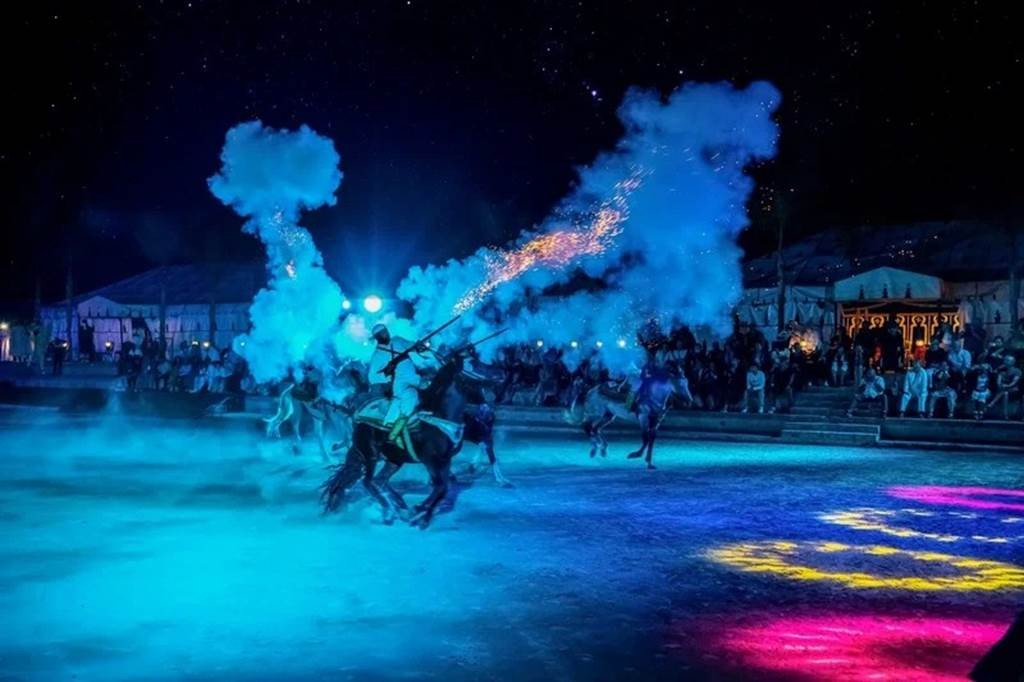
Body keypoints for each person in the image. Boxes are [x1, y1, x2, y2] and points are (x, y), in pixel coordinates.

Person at [367, 322, 437, 446]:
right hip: (399, 384)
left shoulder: (397, 340)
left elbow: (412, 346)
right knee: (411, 395)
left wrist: (419, 346)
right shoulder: (377, 355)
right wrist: (387, 372)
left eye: (386, 331)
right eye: (382, 333)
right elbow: (372, 377)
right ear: (378, 337)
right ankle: (394, 432)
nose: (386, 334)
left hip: (415, 377)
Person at [988, 356, 1021, 420]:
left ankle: (992, 403)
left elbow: (1014, 382)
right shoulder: (1002, 371)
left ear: (1013, 362)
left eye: (1007, 360)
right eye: (1005, 360)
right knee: (1005, 393)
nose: (1005, 362)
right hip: (1003, 390)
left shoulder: (1017, 371)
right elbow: (998, 381)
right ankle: (1005, 415)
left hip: (1014, 390)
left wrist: (1007, 386)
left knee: (1005, 392)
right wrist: (1000, 385)